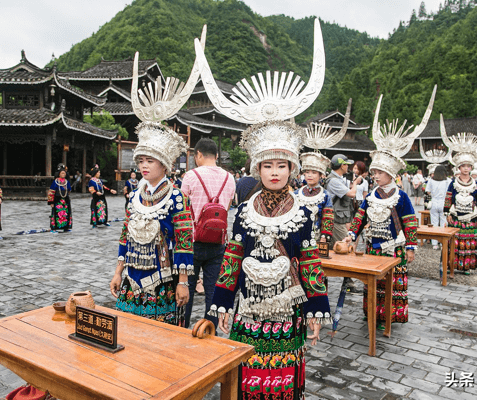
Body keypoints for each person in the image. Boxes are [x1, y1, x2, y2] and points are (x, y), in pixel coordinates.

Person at [198, 19, 330, 398]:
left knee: (284, 378)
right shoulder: (242, 211)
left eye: (282, 165)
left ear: (292, 169)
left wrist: (316, 311)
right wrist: (220, 304)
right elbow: (230, 261)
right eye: (267, 166)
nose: (274, 172)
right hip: (249, 310)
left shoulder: (302, 213)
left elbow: (310, 263)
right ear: (257, 168)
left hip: (287, 311)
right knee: (248, 377)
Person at [109, 46, 200, 324]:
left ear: (164, 165)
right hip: (131, 280)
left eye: (150, 160)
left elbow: (184, 243)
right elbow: (126, 236)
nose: (144, 165)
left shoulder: (176, 199)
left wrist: (183, 281)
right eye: (141, 160)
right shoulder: (135, 196)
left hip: (163, 281)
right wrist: (117, 271)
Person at [344, 86, 436, 327]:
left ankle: (389, 317)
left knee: (392, 284)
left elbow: (410, 222)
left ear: (390, 174)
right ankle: (372, 313)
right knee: (373, 283)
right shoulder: (371, 195)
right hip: (372, 247)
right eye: (373, 172)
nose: (374, 176)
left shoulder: (402, 196)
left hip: (394, 249)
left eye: (378, 173)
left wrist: (411, 247)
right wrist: (351, 236)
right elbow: (360, 218)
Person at [181, 137, 235, 329]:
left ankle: (181, 329)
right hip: (219, 241)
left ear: (198, 155)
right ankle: (211, 333)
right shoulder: (230, 178)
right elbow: (226, 208)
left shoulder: (190, 176)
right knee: (213, 292)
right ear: (217, 156)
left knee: (186, 289)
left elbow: (183, 210)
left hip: (192, 241)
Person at [441, 114, 477, 275]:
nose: (466, 169)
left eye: (469, 166)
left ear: (471, 168)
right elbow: (449, 197)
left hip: (470, 216)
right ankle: (452, 265)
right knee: (454, 242)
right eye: (463, 166)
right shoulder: (453, 182)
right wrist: (447, 212)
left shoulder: (476, 183)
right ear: (459, 168)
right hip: (455, 216)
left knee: (469, 242)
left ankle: (466, 266)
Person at [325, 153, 362, 290]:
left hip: (337, 219)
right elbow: (352, 194)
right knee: (346, 248)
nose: (348, 167)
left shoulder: (337, 179)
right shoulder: (333, 181)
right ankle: (349, 283)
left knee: (328, 249)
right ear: (342, 165)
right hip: (334, 220)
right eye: (347, 164)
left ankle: (343, 280)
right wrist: (356, 184)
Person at [425, 165, 450, 250]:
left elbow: (427, 191)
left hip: (434, 202)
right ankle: (443, 242)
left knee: (434, 223)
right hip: (444, 202)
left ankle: (434, 244)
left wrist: (433, 194)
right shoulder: (448, 181)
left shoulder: (431, 181)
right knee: (443, 223)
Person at [48, 166, 72, 233]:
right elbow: (51, 192)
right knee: (56, 213)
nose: (63, 174)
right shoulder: (55, 182)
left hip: (65, 200)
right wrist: (51, 202)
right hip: (57, 199)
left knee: (66, 213)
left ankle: (66, 227)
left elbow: (69, 190)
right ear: (59, 174)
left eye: (64, 173)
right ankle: (54, 228)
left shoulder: (67, 182)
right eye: (62, 173)